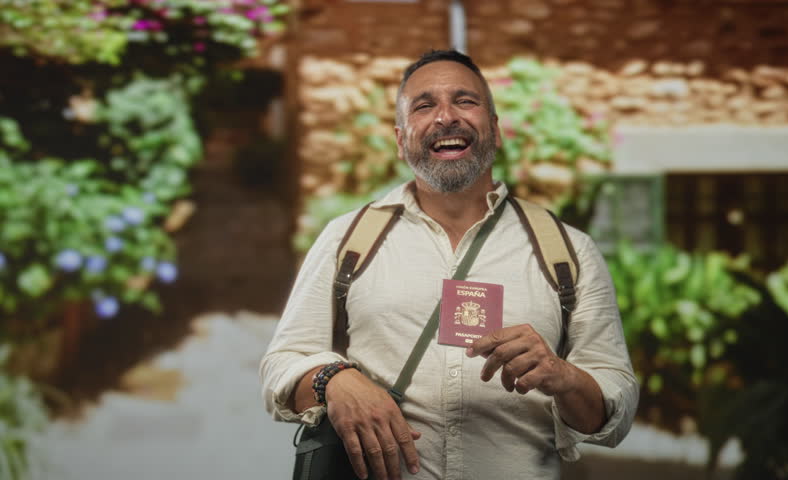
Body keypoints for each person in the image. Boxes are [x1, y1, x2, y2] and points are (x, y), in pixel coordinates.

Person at [260, 49, 639, 480]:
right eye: (425, 105)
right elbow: (282, 365)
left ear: (494, 130)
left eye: (465, 101)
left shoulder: (568, 251)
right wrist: (335, 379)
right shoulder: (347, 239)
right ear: (402, 139)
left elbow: (615, 408)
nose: (446, 117)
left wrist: (563, 376)